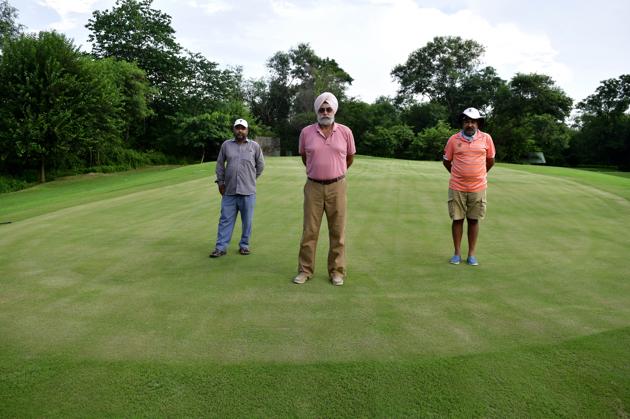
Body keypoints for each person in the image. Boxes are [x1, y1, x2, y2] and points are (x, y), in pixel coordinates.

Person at [293, 92, 356, 286]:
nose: (325, 112)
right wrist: (317, 171)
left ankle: (337, 271)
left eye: (328, 109)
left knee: (337, 231)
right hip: (313, 186)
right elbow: (305, 157)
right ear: (317, 111)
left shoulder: (345, 132)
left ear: (334, 110)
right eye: (322, 109)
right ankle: (305, 270)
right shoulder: (306, 132)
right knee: (309, 231)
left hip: (337, 186)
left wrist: (336, 172)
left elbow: (350, 158)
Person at [443, 107, 495, 266]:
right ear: (462, 123)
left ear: (478, 123)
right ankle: (457, 253)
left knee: (473, 220)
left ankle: (471, 254)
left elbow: (490, 160)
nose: (469, 124)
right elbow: (446, 161)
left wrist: (479, 174)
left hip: (478, 187)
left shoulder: (486, 139)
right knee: (457, 220)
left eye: (473, 121)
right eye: (466, 121)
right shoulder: (453, 139)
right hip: (457, 186)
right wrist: (458, 174)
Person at [210, 118, 265, 258]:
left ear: (247, 130)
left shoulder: (254, 146)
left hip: (248, 192)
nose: (240, 130)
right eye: (237, 128)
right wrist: (220, 182)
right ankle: (220, 247)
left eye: (243, 128)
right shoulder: (226, 145)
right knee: (225, 220)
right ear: (234, 129)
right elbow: (220, 165)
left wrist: (251, 178)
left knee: (247, 221)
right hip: (229, 191)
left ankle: (244, 245)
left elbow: (260, 166)